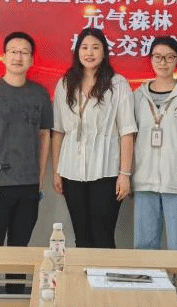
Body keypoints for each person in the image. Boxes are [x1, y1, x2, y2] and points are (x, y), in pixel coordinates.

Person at [0, 31, 52, 294]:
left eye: (24, 52)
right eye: (13, 51)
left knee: (20, 248)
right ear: (4, 57)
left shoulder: (40, 95)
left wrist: (40, 175)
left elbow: (44, 134)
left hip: (28, 184)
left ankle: (16, 298)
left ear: (31, 59)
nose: (18, 57)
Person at [132, 35, 177, 307]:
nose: (163, 62)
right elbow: (128, 139)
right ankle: (145, 303)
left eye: (169, 57)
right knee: (144, 251)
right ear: (150, 60)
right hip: (144, 184)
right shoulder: (138, 96)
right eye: (158, 57)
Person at [51, 27, 137, 249]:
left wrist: (125, 174)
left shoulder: (118, 84)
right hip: (71, 171)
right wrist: (57, 171)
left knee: (103, 235)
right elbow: (58, 131)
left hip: (106, 171)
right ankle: (84, 274)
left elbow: (127, 132)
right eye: (84, 47)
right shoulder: (65, 84)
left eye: (95, 48)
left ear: (104, 52)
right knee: (81, 236)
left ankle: (104, 274)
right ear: (77, 51)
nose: (89, 53)